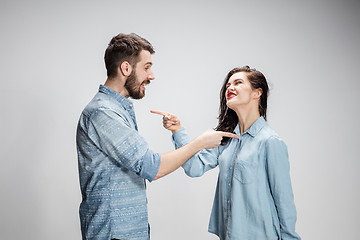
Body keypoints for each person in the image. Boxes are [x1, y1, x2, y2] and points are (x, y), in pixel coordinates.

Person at [76, 33, 238, 240]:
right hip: (113, 234)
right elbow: (153, 167)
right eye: (146, 67)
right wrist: (199, 143)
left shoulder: (117, 108)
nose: (151, 76)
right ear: (126, 68)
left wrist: (178, 131)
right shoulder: (103, 113)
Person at [158, 66, 301, 239]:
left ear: (257, 93)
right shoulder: (226, 138)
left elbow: (284, 201)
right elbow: (194, 167)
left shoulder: (270, 142)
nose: (230, 87)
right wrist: (177, 130)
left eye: (238, 83)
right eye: (228, 85)